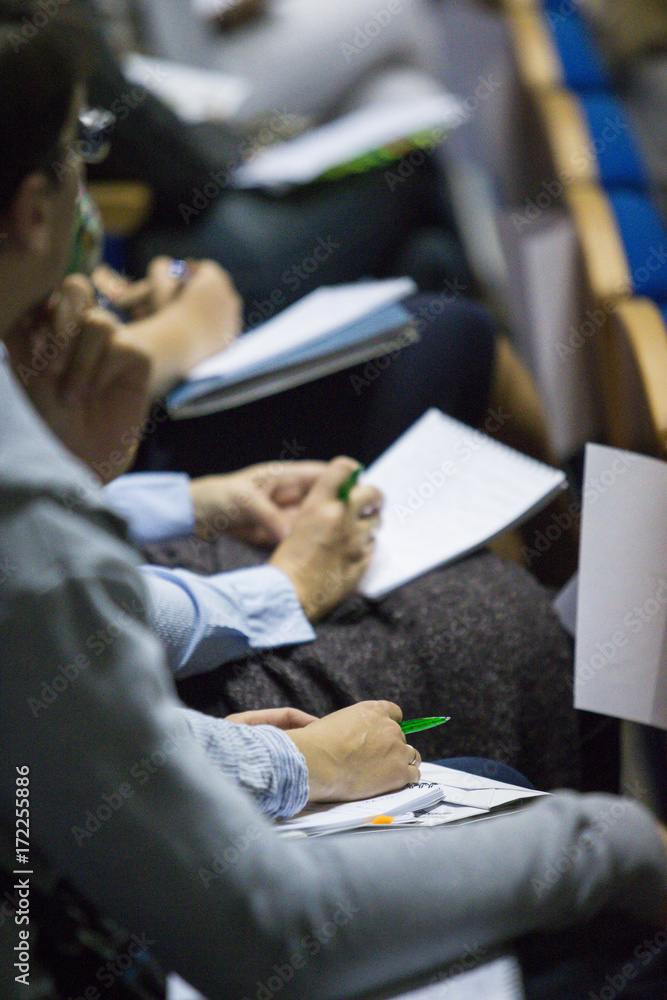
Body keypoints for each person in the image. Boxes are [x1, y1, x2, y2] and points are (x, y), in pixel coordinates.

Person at [2, 11, 667, 1000]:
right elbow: (256, 925)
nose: (91, 187)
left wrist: (135, 485)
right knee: (501, 612)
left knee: (443, 310)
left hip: (140, 772)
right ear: (28, 212)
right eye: (75, 155)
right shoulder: (36, 518)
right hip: (89, 940)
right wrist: (617, 845)